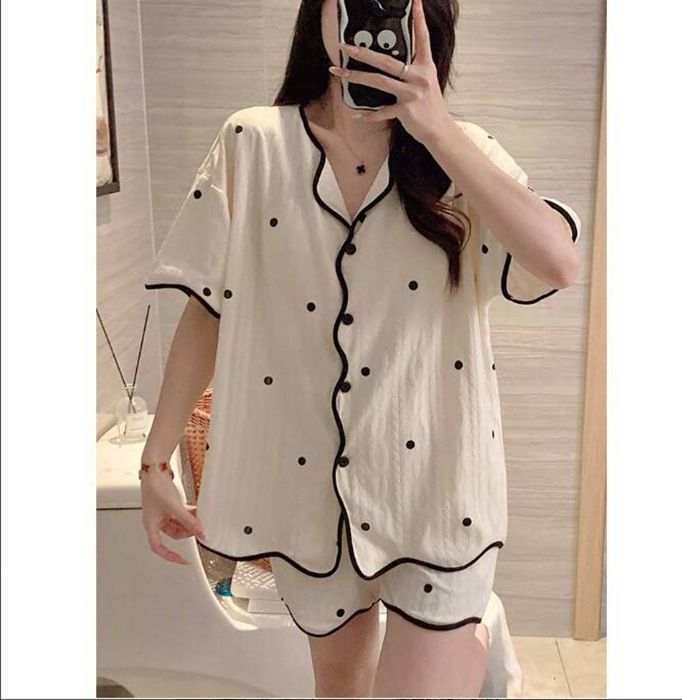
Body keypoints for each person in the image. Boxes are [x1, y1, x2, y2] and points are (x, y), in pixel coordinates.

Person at [139, 0, 581, 696]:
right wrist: (155, 459)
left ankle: (469, 645)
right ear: (320, 14)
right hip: (306, 495)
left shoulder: (461, 152)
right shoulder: (252, 143)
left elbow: (557, 262)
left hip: (439, 492)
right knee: (340, 683)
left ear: (425, 24)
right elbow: (206, 309)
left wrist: (437, 128)